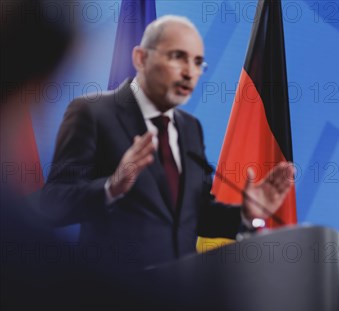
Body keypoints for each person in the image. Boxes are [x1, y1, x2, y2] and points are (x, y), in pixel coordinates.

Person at [41, 15, 294, 270]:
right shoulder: (92, 113)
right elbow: (54, 203)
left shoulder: (190, 128)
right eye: (178, 57)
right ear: (141, 58)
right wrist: (111, 187)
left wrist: (245, 213)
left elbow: (195, 213)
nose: (189, 72)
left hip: (175, 297)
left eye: (198, 63)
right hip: (112, 296)